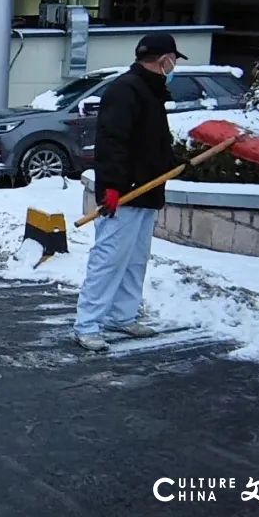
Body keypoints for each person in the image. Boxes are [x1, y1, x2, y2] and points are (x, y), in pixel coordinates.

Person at [73, 33, 186, 352]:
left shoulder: (151, 91)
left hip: (146, 192)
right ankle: (88, 324)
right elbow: (111, 142)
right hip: (123, 194)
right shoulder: (125, 90)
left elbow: (149, 142)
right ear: (163, 59)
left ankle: (121, 317)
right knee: (108, 260)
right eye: (173, 59)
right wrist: (110, 187)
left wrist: (174, 163)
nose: (174, 65)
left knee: (135, 260)